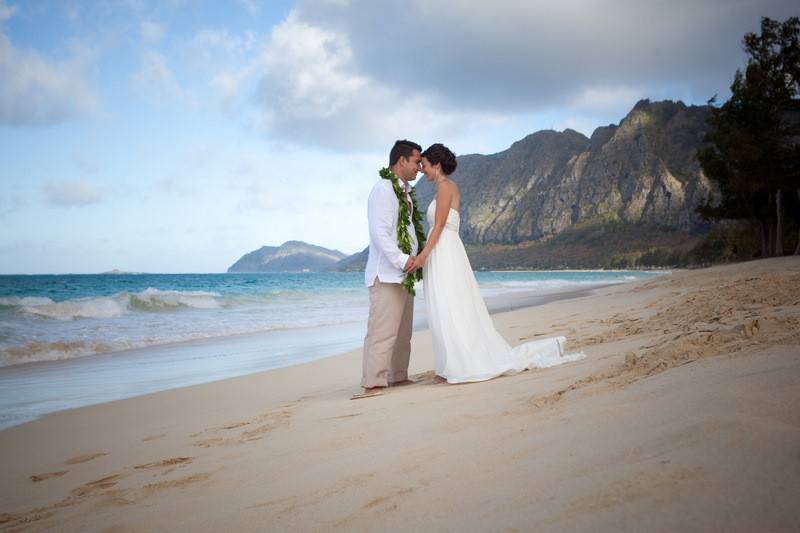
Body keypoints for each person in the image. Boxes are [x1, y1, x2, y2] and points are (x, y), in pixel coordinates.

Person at [409, 143, 584, 383]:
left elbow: (438, 226)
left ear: (436, 165)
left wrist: (423, 256)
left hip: (443, 251)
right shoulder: (446, 186)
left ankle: (459, 363)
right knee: (448, 305)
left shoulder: (445, 187)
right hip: (445, 250)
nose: (422, 170)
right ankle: (450, 363)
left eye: (425, 165)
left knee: (449, 305)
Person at [354, 140, 426, 399]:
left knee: (402, 332)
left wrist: (413, 261)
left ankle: (398, 376)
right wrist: (401, 259)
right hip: (386, 273)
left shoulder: (404, 192)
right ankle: (372, 383)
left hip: (403, 275)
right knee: (382, 332)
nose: (419, 167)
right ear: (401, 161)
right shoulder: (384, 189)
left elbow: (406, 232)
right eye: (417, 161)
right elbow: (380, 234)